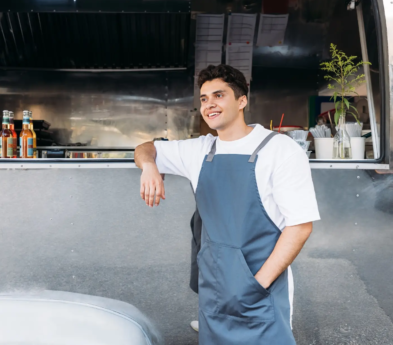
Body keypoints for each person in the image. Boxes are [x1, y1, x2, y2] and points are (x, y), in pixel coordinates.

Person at [134, 64, 320, 344]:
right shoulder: (200, 150)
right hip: (215, 291)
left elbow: (300, 226)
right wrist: (149, 166)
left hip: (261, 290)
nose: (209, 105)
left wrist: (257, 285)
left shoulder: (279, 150)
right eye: (204, 99)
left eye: (219, 96)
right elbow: (145, 147)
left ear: (242, 100)